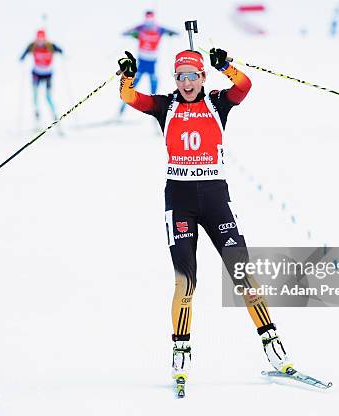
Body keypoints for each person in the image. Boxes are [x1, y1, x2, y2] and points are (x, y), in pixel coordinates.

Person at [117, 48, 292, 390]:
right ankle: (180, 351)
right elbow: (129, 96)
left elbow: (244, 86)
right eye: (180, 76)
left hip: (214, 199)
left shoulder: (216, 102)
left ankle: (273, 345)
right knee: (186, 281)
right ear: (175, 78)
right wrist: (127, 74)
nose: (186, 83)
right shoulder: (164, 105)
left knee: (242, 274)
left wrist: (225, 65)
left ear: (202, 77)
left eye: (192, 75)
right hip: (179, 201)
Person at [118, 11, 177, 117]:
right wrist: (133, 34)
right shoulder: (141, 28)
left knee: (153, 88)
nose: (149, 24)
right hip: (141, 62)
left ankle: (157, 114)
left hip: (152, 63)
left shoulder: (159, 29)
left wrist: (171, 33)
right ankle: (121, 111)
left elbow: (174, 32)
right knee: (131, 85)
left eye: (151, 20)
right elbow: (125, 33)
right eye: (147, 20)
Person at [20, 30, 63, 123]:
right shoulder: (33, 46)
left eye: (42, 39)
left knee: (48, 96)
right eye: (38, 39)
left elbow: (60, 50)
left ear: (45, 38)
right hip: (36, 73)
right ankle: (37, 113)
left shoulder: (50, 46)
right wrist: (22, 57)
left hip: (47, 74)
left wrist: (61, 52)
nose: (40, 41)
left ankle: (54, 114)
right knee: (35, 95)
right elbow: (25, 53)